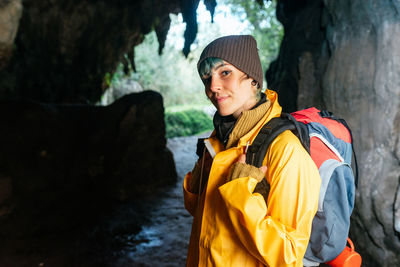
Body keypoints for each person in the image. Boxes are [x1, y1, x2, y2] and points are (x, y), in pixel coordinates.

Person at [183, 35, 321, 267]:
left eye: (225, 72)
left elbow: (288, 255)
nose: (213, 86)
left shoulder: (286, 151)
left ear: (253, 80)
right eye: (207, 77)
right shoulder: (218, 140)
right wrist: (200, 176)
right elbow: (199, 211)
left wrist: (240, 196)